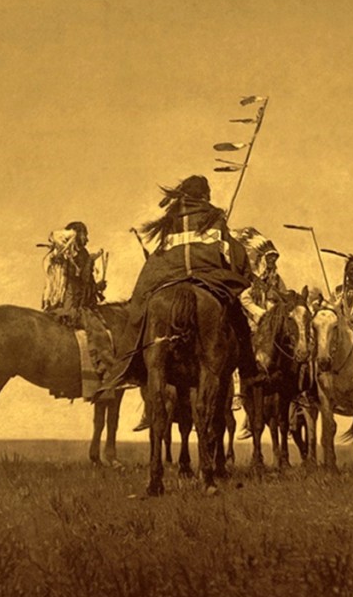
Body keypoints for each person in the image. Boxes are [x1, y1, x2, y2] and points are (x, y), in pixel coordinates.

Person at [95, 175, 260, 426]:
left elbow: (161, 252)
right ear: (204, 195)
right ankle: (248, 369)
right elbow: (231, 254)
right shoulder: (213, 216)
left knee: (141, 308)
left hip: (169, 276)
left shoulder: (171, 219)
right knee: (236, 314)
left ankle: (134, 364)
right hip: (207, 276)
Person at [42, 221, 106, 327]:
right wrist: (90, 260)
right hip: (73, 305)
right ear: (77, 234)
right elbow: (82, 279)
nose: (87, 239)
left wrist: (98, 286)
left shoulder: (80, 253)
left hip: (80, 302)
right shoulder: (73, 256)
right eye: (85, 235)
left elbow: (86, 285)